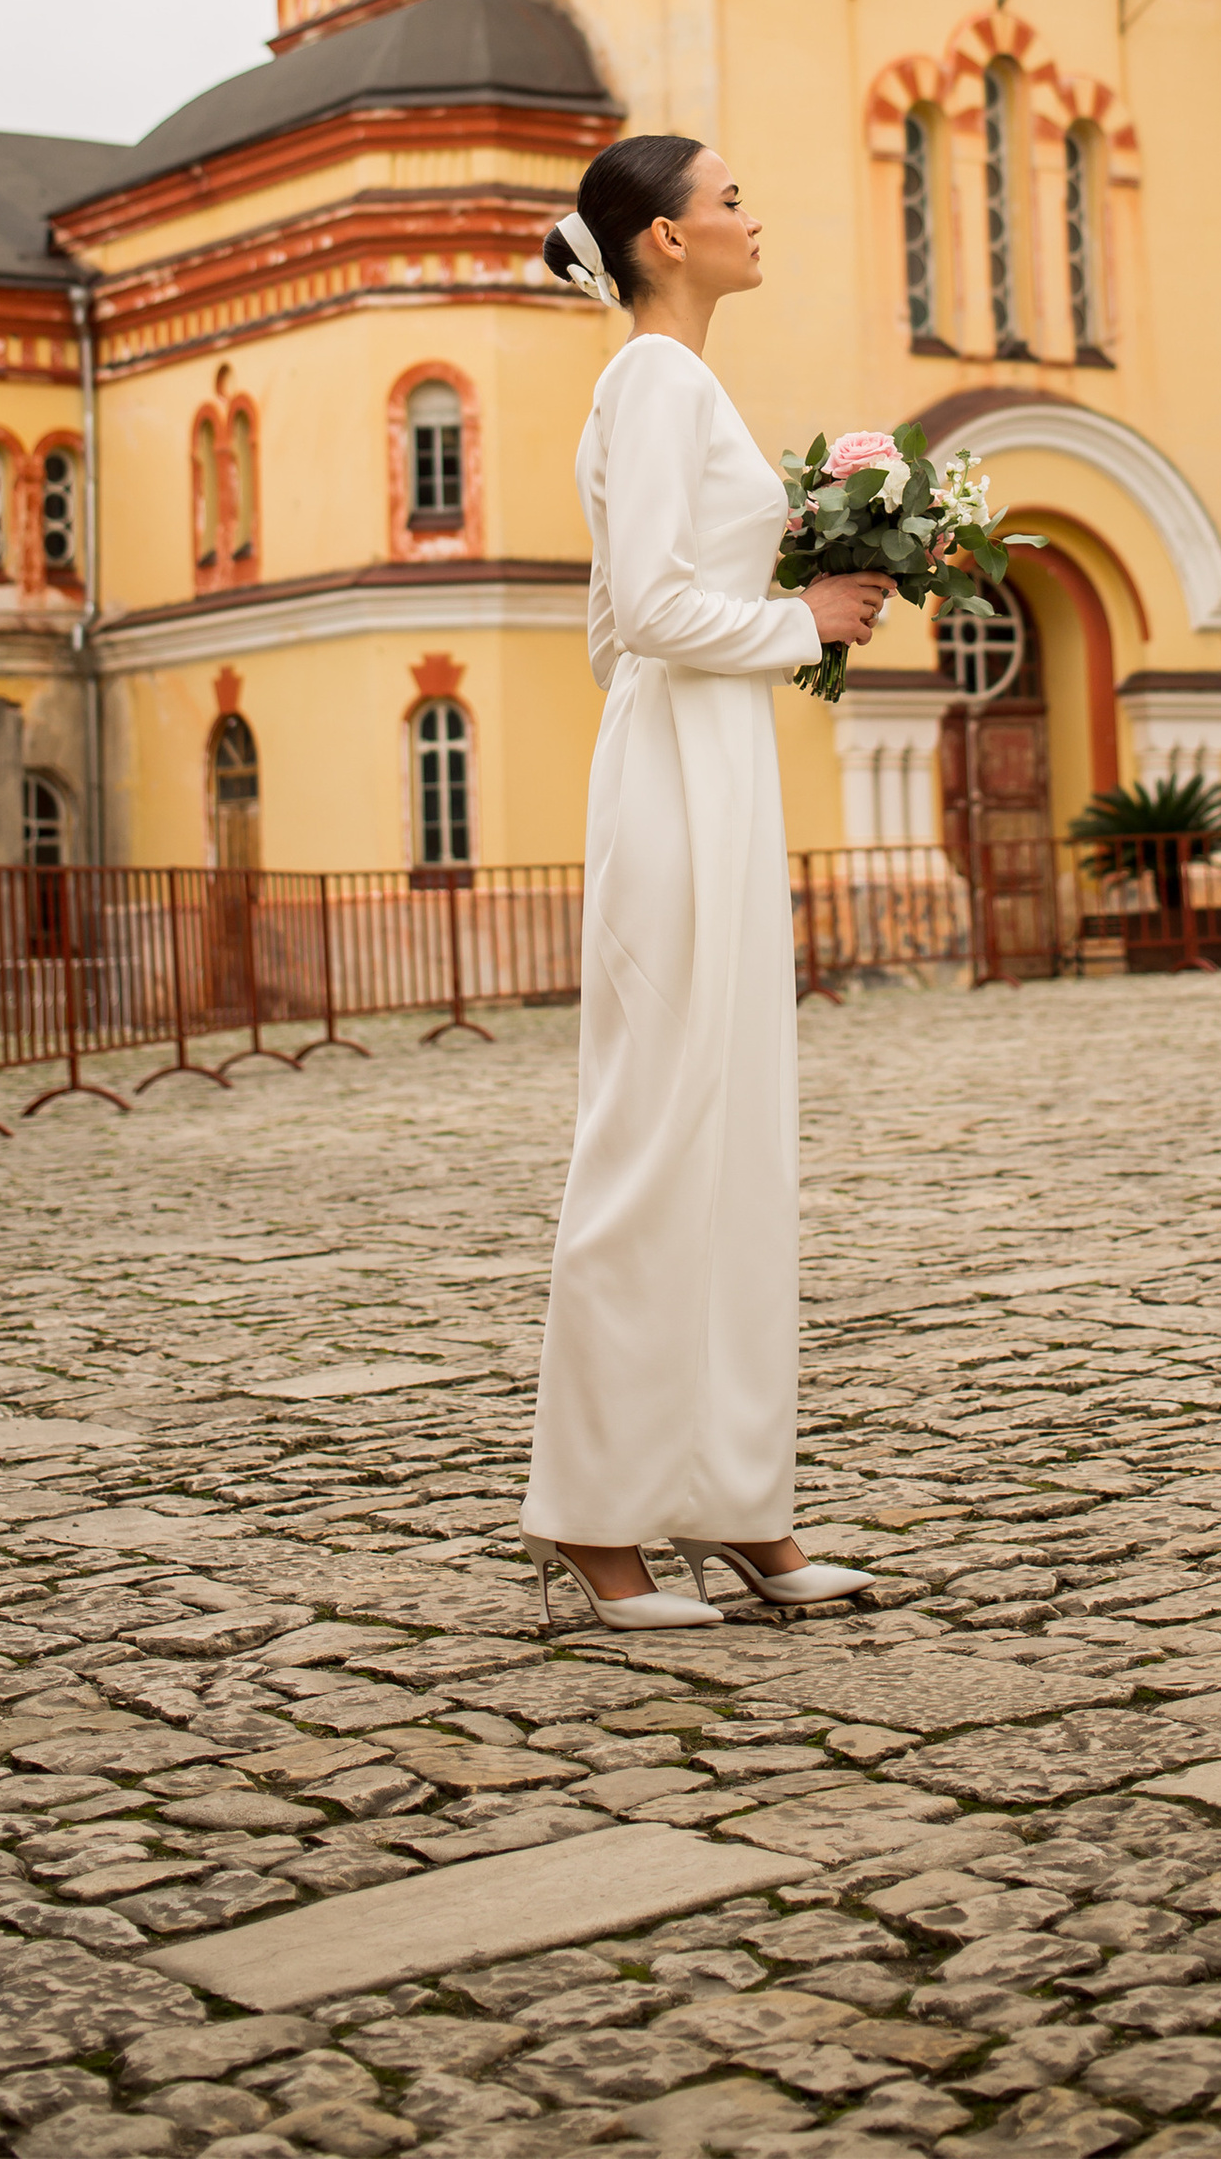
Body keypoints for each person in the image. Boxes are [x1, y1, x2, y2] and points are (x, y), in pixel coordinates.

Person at [521, 132, 889, 1632]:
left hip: (709, 762)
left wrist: (799, 561)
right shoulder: (654, 380)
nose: (753, 213)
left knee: (736, 1144)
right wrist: (801, 616)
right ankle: (599, 1524)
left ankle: (741, 1504)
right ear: (663, 240)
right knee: (659, 1136)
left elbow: (622, 624)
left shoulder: (681, 387)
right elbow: (658, 613)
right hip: (679, 777)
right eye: (729, 198)